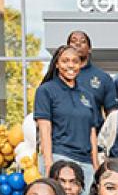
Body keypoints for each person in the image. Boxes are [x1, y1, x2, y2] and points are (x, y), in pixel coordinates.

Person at [34, 45, 99, 187]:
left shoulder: (87, 95)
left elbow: (92, 133)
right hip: (60, 157)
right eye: (65, 61)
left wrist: (96, 167)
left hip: (86, 163)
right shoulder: (45, 91)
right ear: (57, 64)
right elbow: (45, 130)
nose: (71, 65)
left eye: (75, 61)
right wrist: (49, 164)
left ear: (80, 64)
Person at [67, 30, 118, 120]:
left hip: (95, 132)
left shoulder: (103, 78)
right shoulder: (57, 76)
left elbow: (112, 114)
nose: (78, 44)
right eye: (74, 41)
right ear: (67, 48)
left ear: (90, 49)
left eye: (83, 41)